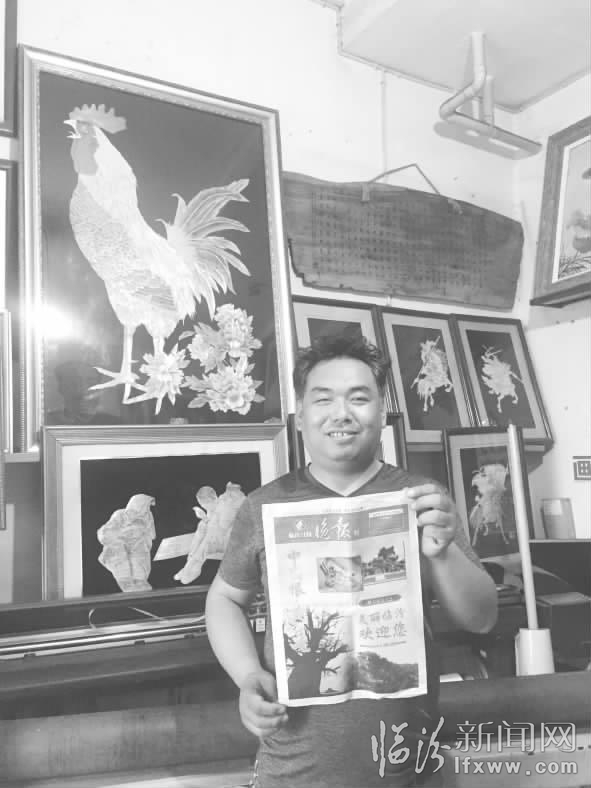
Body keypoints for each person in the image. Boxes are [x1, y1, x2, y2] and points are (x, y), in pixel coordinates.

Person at [206, 335, 498, 788]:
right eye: (323, 399)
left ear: (381, 412)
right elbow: (224, 598)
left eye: (359, 398)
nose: (341, 413)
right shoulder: (263, 506)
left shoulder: (422, 499)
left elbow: (481, 618)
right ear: (301, 415)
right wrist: (248, 676)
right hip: (293, 771)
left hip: (406, 767)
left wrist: (443, 552)